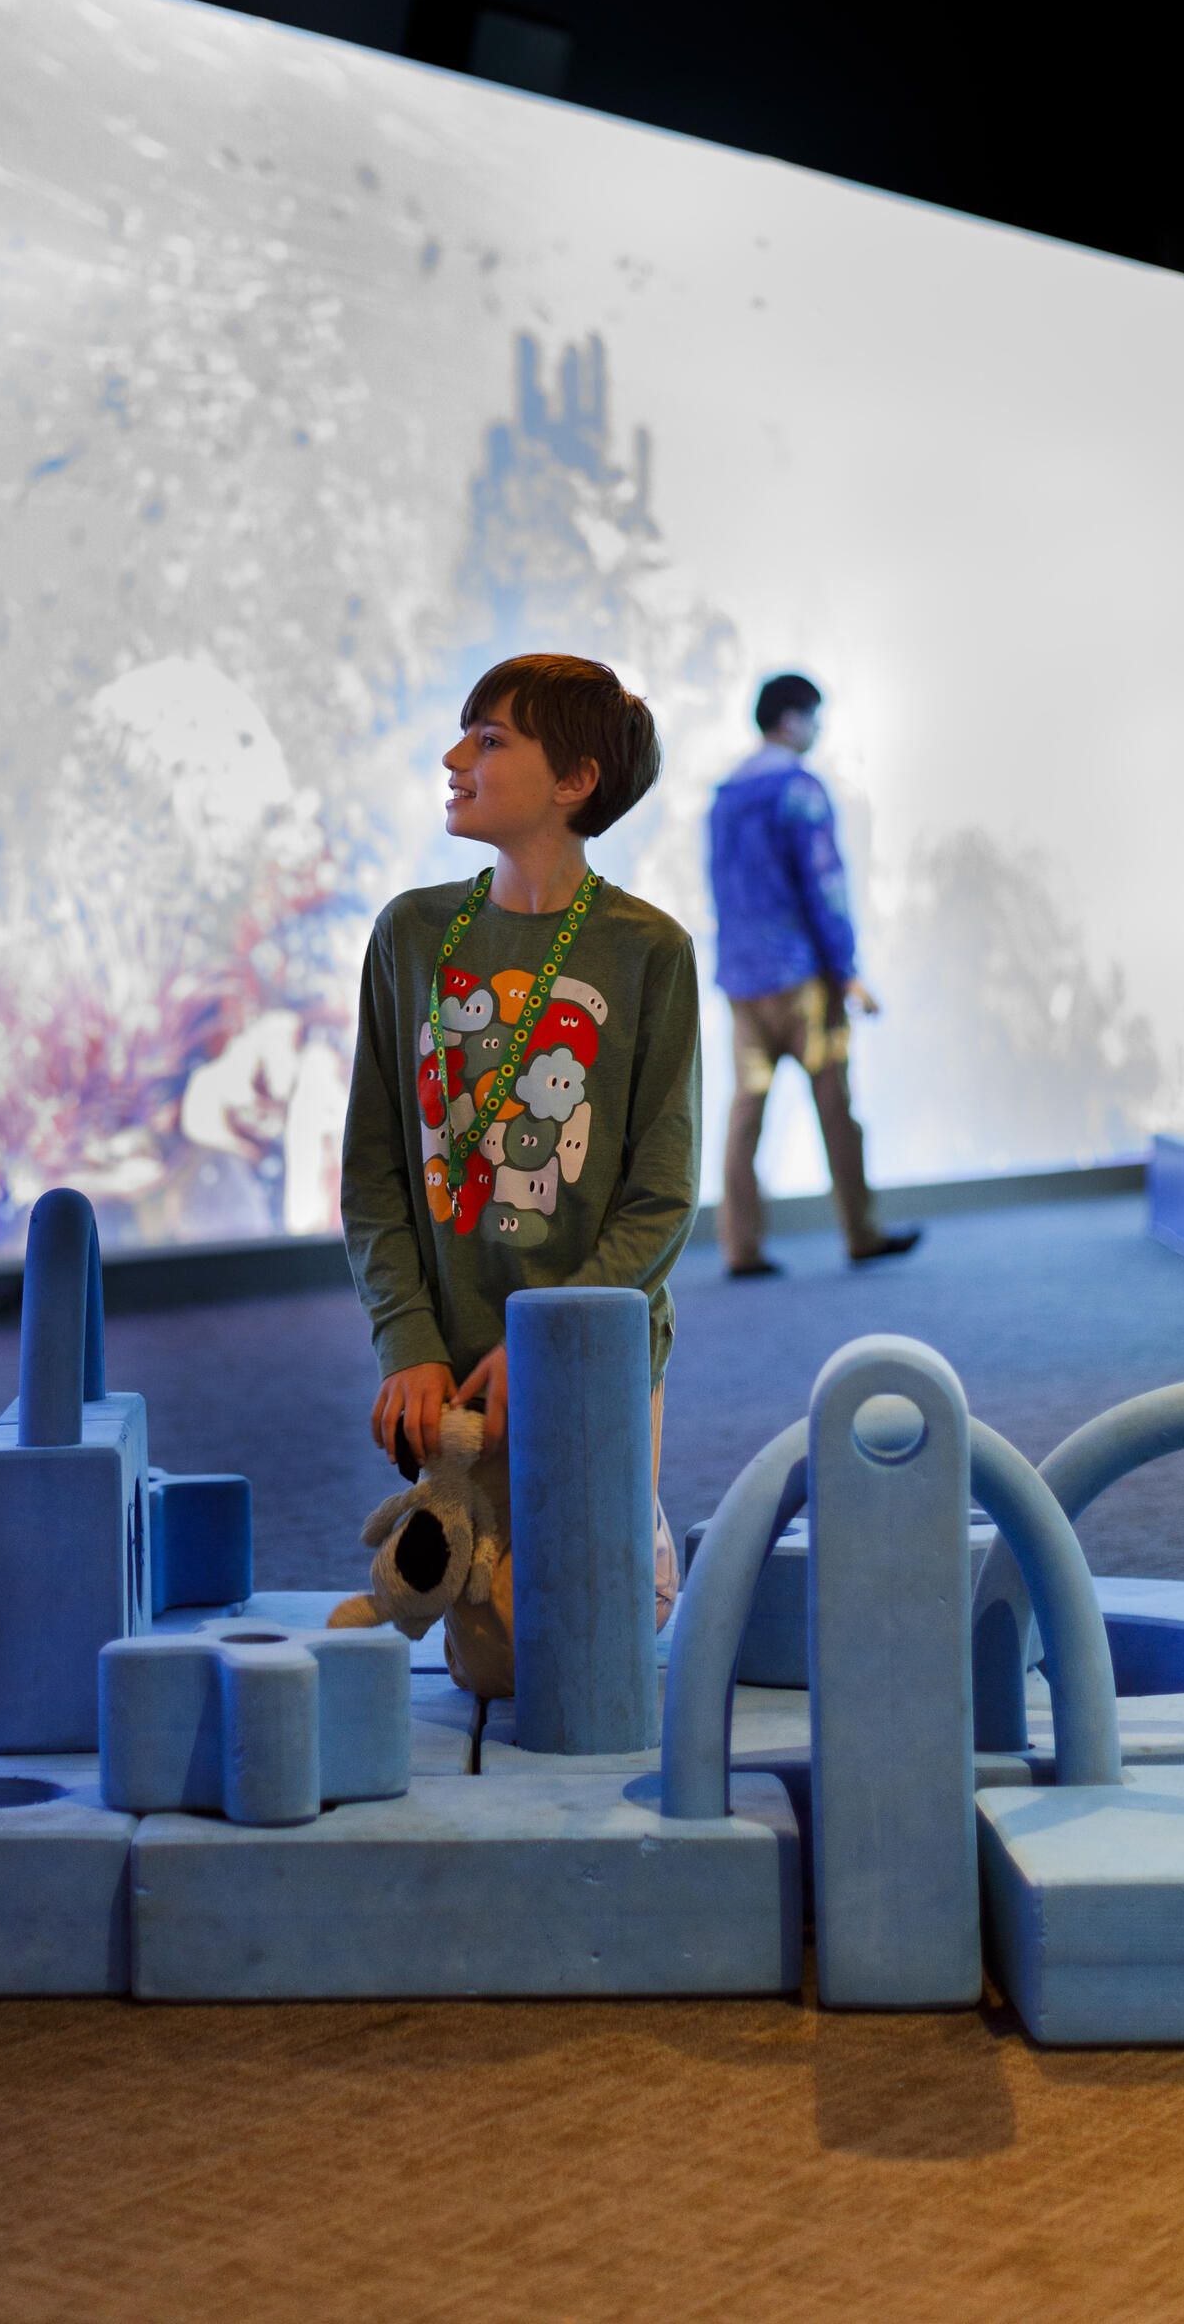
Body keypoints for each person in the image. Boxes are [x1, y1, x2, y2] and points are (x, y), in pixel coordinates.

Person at [335, 652, 699, 1700]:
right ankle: (579, 1542)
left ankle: (643, 1551)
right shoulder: (408, 935)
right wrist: (404, 1342)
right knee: (492, 1671)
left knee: (577, 1660)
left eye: (489, 740)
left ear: (574, 780)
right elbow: (372, 1176)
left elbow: (660, 1198)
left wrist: (547, 1336)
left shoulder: (647, 952)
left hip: (588, 1342)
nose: (455, 758)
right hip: (450, 1363)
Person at [707, 671, 919, 1275]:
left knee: (746, 1114)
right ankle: (861, 1231)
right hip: (801, 976)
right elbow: (824, 883)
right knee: (835, 1105)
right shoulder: (798, 789)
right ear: (793, 719)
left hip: (743, 978)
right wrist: (846, 969)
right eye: (816, 718)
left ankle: (739, 1246)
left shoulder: (726, 796)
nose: (819, 730)